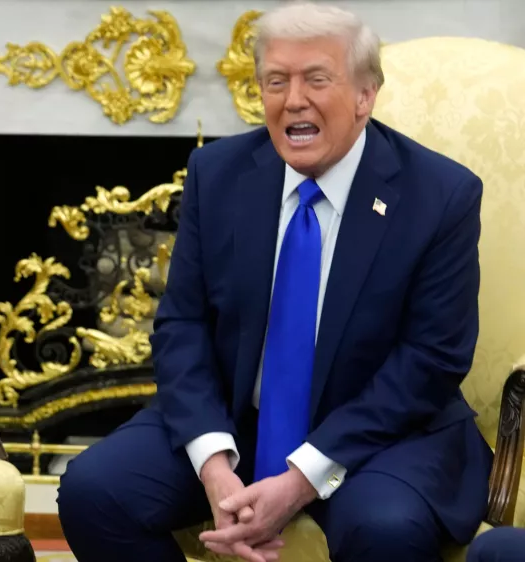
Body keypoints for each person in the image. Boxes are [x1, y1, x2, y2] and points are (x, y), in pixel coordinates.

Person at [56, 3, 492, 562]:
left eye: (317, 79)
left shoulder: (441, 196)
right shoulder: (218, 175)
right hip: (239, 420)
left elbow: (432, 359)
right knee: (96, 492)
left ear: (365, 95)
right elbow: (182, 325)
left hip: (380, 435)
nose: (293, 100)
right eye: (276, 81)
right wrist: (214, 466)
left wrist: (301, 479)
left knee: (386, 529)